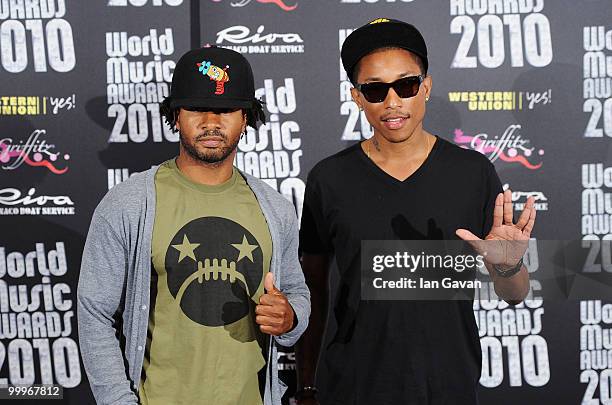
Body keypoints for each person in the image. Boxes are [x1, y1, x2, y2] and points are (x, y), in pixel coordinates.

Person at [295, 19, 536, 405]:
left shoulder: (473, 173)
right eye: (375, 90)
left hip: (447, 387)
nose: (392, 102)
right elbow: (313, 294)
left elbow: (515, 293)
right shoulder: (329, 179)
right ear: (357, 97)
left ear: (425, 86)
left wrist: (506, 264)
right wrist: (307, 386)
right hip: (353, 388)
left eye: (405, 85)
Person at [77, 45, 310, 405]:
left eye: (226, 110)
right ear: (175, 115)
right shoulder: (128, 204)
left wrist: (290, 317)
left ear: (246, 118)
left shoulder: (275, 208)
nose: (211, 122)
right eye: (198, 108)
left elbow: (297, 293)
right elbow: (95, 312)